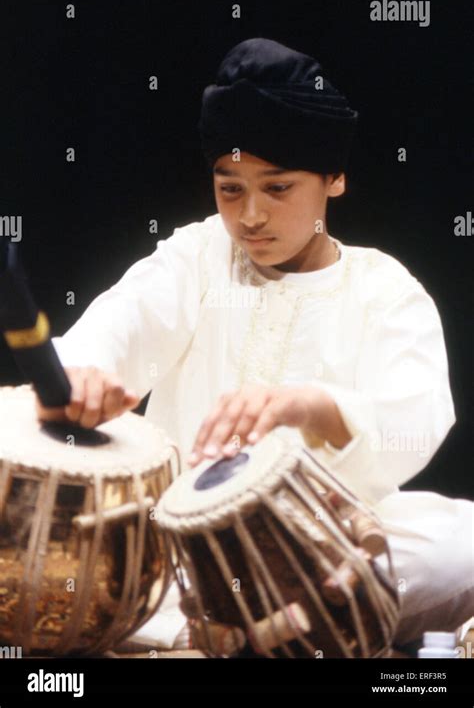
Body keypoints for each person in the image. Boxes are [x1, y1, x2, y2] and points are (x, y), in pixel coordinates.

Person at [43, 38, 473, 651]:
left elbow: (417, 416)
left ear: (335, 179)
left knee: (461, 541)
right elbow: (119, 324)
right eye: (230, 189)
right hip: (181, 548)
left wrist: (309, 406)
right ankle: (255, 626)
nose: (250, 217)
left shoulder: (384, 289)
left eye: (277, 189)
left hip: (331, 545)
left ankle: (244, 628)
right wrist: (81, 375)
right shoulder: (196, 257)